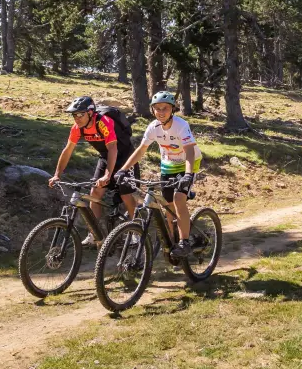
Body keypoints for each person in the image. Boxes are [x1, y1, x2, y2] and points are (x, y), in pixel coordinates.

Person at [116, 91, 202, 258]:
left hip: (188, 163)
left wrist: (189, 175)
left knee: (178, 199)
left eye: (165, 108)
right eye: (157, 108)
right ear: (153, 110)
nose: (161, 112)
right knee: (169, 208)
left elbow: (189, 151)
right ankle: (172, 242)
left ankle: (184, 242)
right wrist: (123, 169)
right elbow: (141, 150)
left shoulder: (181, 125)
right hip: (168, 165)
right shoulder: (153, 127)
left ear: (173, 109)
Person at [49, 96, 139, 246]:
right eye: (74, 115)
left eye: (80, 114)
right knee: (95, 193)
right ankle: (94, 234)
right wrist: (57, 174)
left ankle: (136, 229)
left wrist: (108, 175)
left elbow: (113, 148)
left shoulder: (104, 122)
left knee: (126, 193)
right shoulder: (77, 128)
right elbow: (68, 150)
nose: (76, 118)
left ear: (90, 113)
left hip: (125, 156)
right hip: (105, 157)